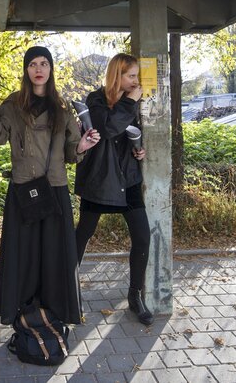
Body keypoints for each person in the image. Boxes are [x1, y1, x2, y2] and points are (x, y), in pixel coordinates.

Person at [0, 46, 100, 326]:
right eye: (33, 63)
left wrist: (82, 146)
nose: (38, 68)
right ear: (26, 70)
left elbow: (71, 151)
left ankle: (56, 310)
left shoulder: (62, 107)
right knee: (23, 255)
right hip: (24, 190)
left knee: (55, 254)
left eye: (44, 63)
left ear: (50, 69)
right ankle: (20, 309)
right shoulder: (11, 104)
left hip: (55, 189)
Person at [73, 53, 153, 325]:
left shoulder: (134, 102)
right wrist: (130, 101)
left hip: (127, 178)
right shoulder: (95, 99)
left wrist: (139, 150)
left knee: (142, 237)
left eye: (137, 76)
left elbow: (132, 133)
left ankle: (135, 295)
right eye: (131, 76)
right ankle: (67, 290)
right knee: (82, 234)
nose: (135, 81)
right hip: (100, 179)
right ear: (117, 75)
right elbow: (107, 129)